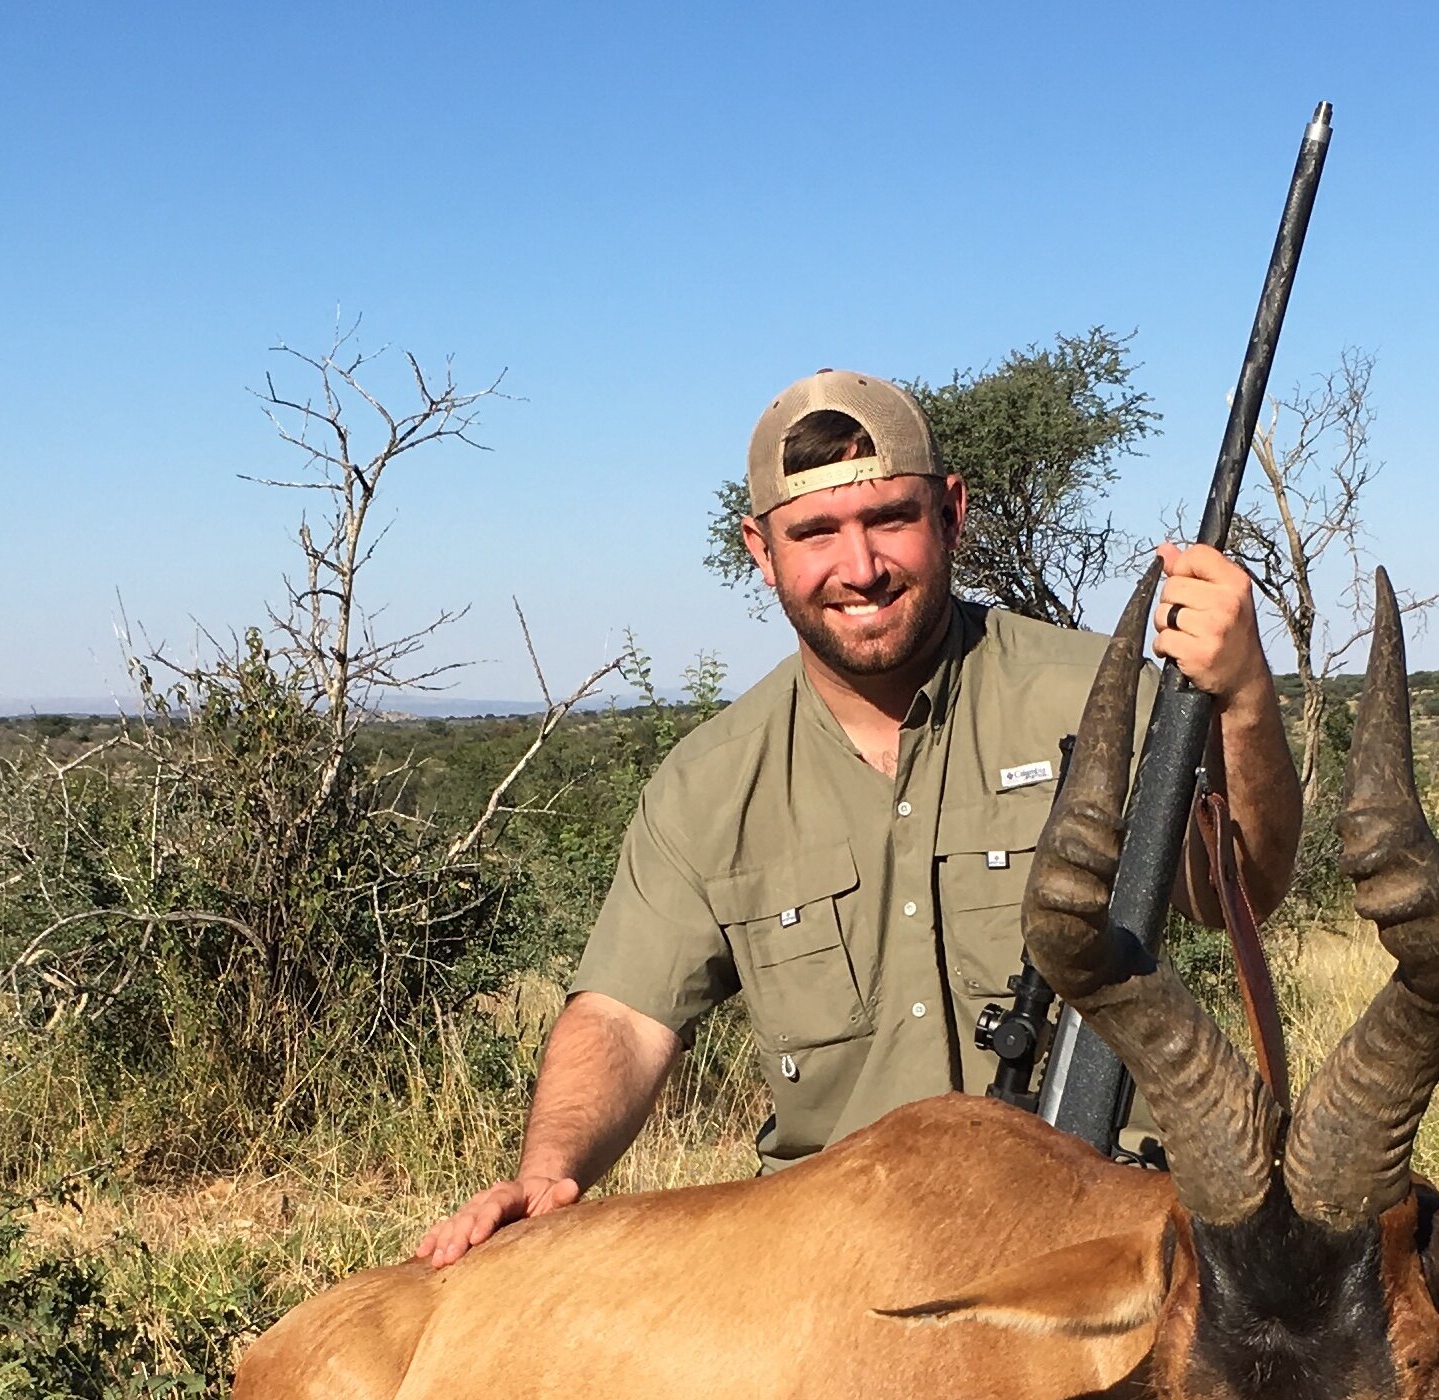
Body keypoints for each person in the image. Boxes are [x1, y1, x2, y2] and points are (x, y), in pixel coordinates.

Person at [417, 369, 1301, 1267]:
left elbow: (1242, 884)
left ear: (950, 513)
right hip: (836, 1267)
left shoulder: (1097, 696)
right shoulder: (707, 784)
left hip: (1105, 1227)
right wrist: (549, 1169)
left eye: (889, 519)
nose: (860, 567)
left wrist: (1244, 696)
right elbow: (621, 1017)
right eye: (815, 533)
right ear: (760, 550)